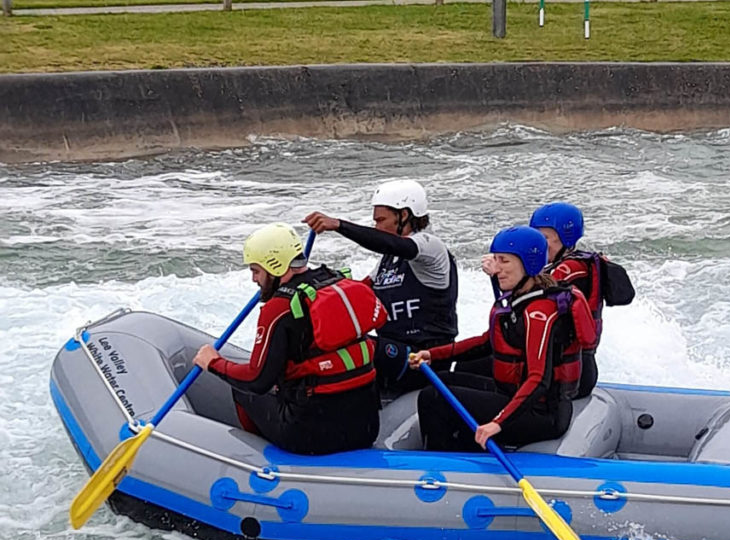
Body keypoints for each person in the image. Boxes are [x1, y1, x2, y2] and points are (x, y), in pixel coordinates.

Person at [193, 223, 386, 455]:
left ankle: (259, 460)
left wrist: (213, 363)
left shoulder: (279, 308)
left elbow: (257, 380)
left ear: (275, 266)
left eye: (256, 270)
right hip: (365, 427)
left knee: (243, 391)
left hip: (311, 436)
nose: (254, 279)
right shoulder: (336, 283)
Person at [411, 226, 596, 453]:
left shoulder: (539, 313)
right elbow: (487, 342)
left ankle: (439, 468)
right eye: (495, 259)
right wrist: (433, 354)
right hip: (512, 394)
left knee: (433, 397)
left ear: (528, 264)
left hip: (543, 415)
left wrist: (497, 423)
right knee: (442, 380)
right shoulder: (520, 298)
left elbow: (539, 380)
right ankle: (466, 449)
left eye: (504, 261)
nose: (496, 268)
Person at [303, 178, 458, 393]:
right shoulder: (388, 260)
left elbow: (392, 243)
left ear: (404, 215)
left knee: (362, 348)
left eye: (381, 220)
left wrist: (339, 225)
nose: (376, 227)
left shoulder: (430, 247)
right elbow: (359, 291)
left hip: (425, 358)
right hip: (395, 352)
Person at [529, 201, 635, 397]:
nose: (537, 245)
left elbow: (534, 294)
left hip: (571, 374)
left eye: (544, 239)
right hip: (574, 368)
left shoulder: (572, 270)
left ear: (566, 239)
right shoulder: (572, 263)